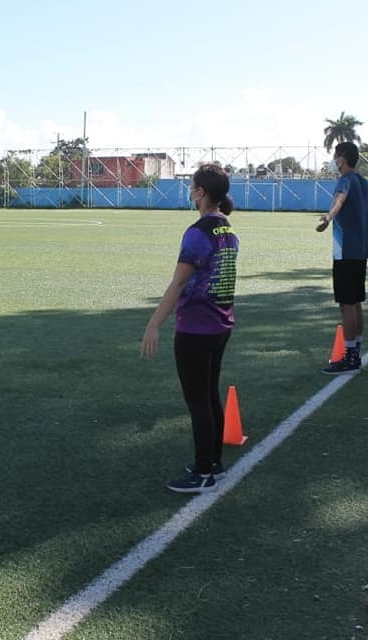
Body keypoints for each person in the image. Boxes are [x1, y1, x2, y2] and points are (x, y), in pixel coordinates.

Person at [141, 164, 239, 494]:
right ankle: (214, 464)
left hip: (197, 328)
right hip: (221, 323)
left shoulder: (197, 233)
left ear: (201, 192)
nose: (190, 191)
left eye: (193, 186)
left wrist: (154, 323)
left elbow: (179, 282)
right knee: (210, 396)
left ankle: (203, 471)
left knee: (198, 401)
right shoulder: (227, 229)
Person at [316, 142, 368, 374]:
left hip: (346, 250)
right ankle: (355, 352)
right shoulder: (361, 180)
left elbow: (339, 199)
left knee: (346, 304)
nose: (333, 160)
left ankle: (349, 356)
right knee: (356, 302)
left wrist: (328, 217)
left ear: (342, 159)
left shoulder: (346, 180)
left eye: (335, 156)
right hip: (361, 250)